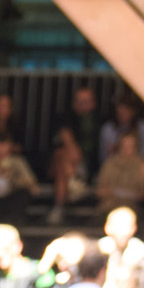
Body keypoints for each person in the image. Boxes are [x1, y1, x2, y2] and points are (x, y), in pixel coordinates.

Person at [49, 82, 100, 213]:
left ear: (93, 103)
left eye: (86, 101)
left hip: (88, 167)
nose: (82, 105)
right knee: (61, 154)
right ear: (74, 103)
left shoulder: (99, 121)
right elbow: (66, 143)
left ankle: (58, 208)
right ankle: (74, 180)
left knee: (62, 168)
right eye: (80, 101)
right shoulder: (65, 118)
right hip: (67, 165)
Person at [94, 131, 144, 209]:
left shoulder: (142, 166)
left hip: (132, 208)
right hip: (108, 207)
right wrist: (109, 192)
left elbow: (143, 194)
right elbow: (100, 190)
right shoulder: (109, 164)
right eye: (124, 145)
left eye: (130, 146)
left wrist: (127, 194)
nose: (127, 149)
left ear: (136, 147)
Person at [98, 95, 144, 168]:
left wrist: (128, 152)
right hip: (113, 168)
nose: (122, 112)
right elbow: (103, 158)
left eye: (126, 109)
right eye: (120, 109)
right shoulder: (107, 129)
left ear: (133, 111)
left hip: (136, 168)